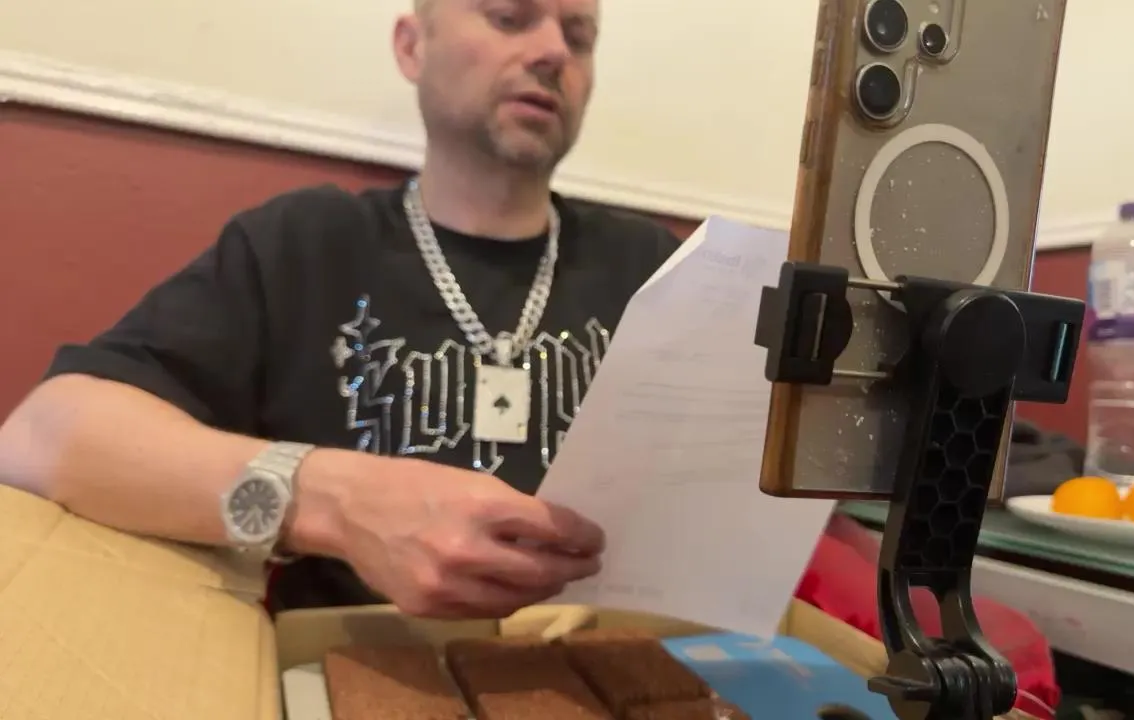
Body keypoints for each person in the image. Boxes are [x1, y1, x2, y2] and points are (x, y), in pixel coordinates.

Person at [0, 0, 682, 619]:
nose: (553, 52)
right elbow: (39, 437)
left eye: (579, 35)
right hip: (348, 670)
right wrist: (332, 500)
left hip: (615, 665)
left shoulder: (655, 267)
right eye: (509, 17)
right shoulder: (303, 245)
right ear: (412, 46)